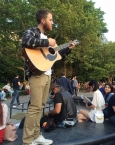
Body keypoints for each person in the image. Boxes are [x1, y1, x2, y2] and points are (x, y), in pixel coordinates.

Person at [22, 9, 76, 145]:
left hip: (47, 75)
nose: (52, 22)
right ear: (43, 20)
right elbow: (26, 40)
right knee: (34, 107)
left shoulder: (49, 41)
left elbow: (57, 56)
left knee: (40, 107)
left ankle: (36, 136)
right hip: (36, 74)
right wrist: (47, 43)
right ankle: (28, 141)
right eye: (51, 19)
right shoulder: (33, 32)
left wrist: (68, 48)